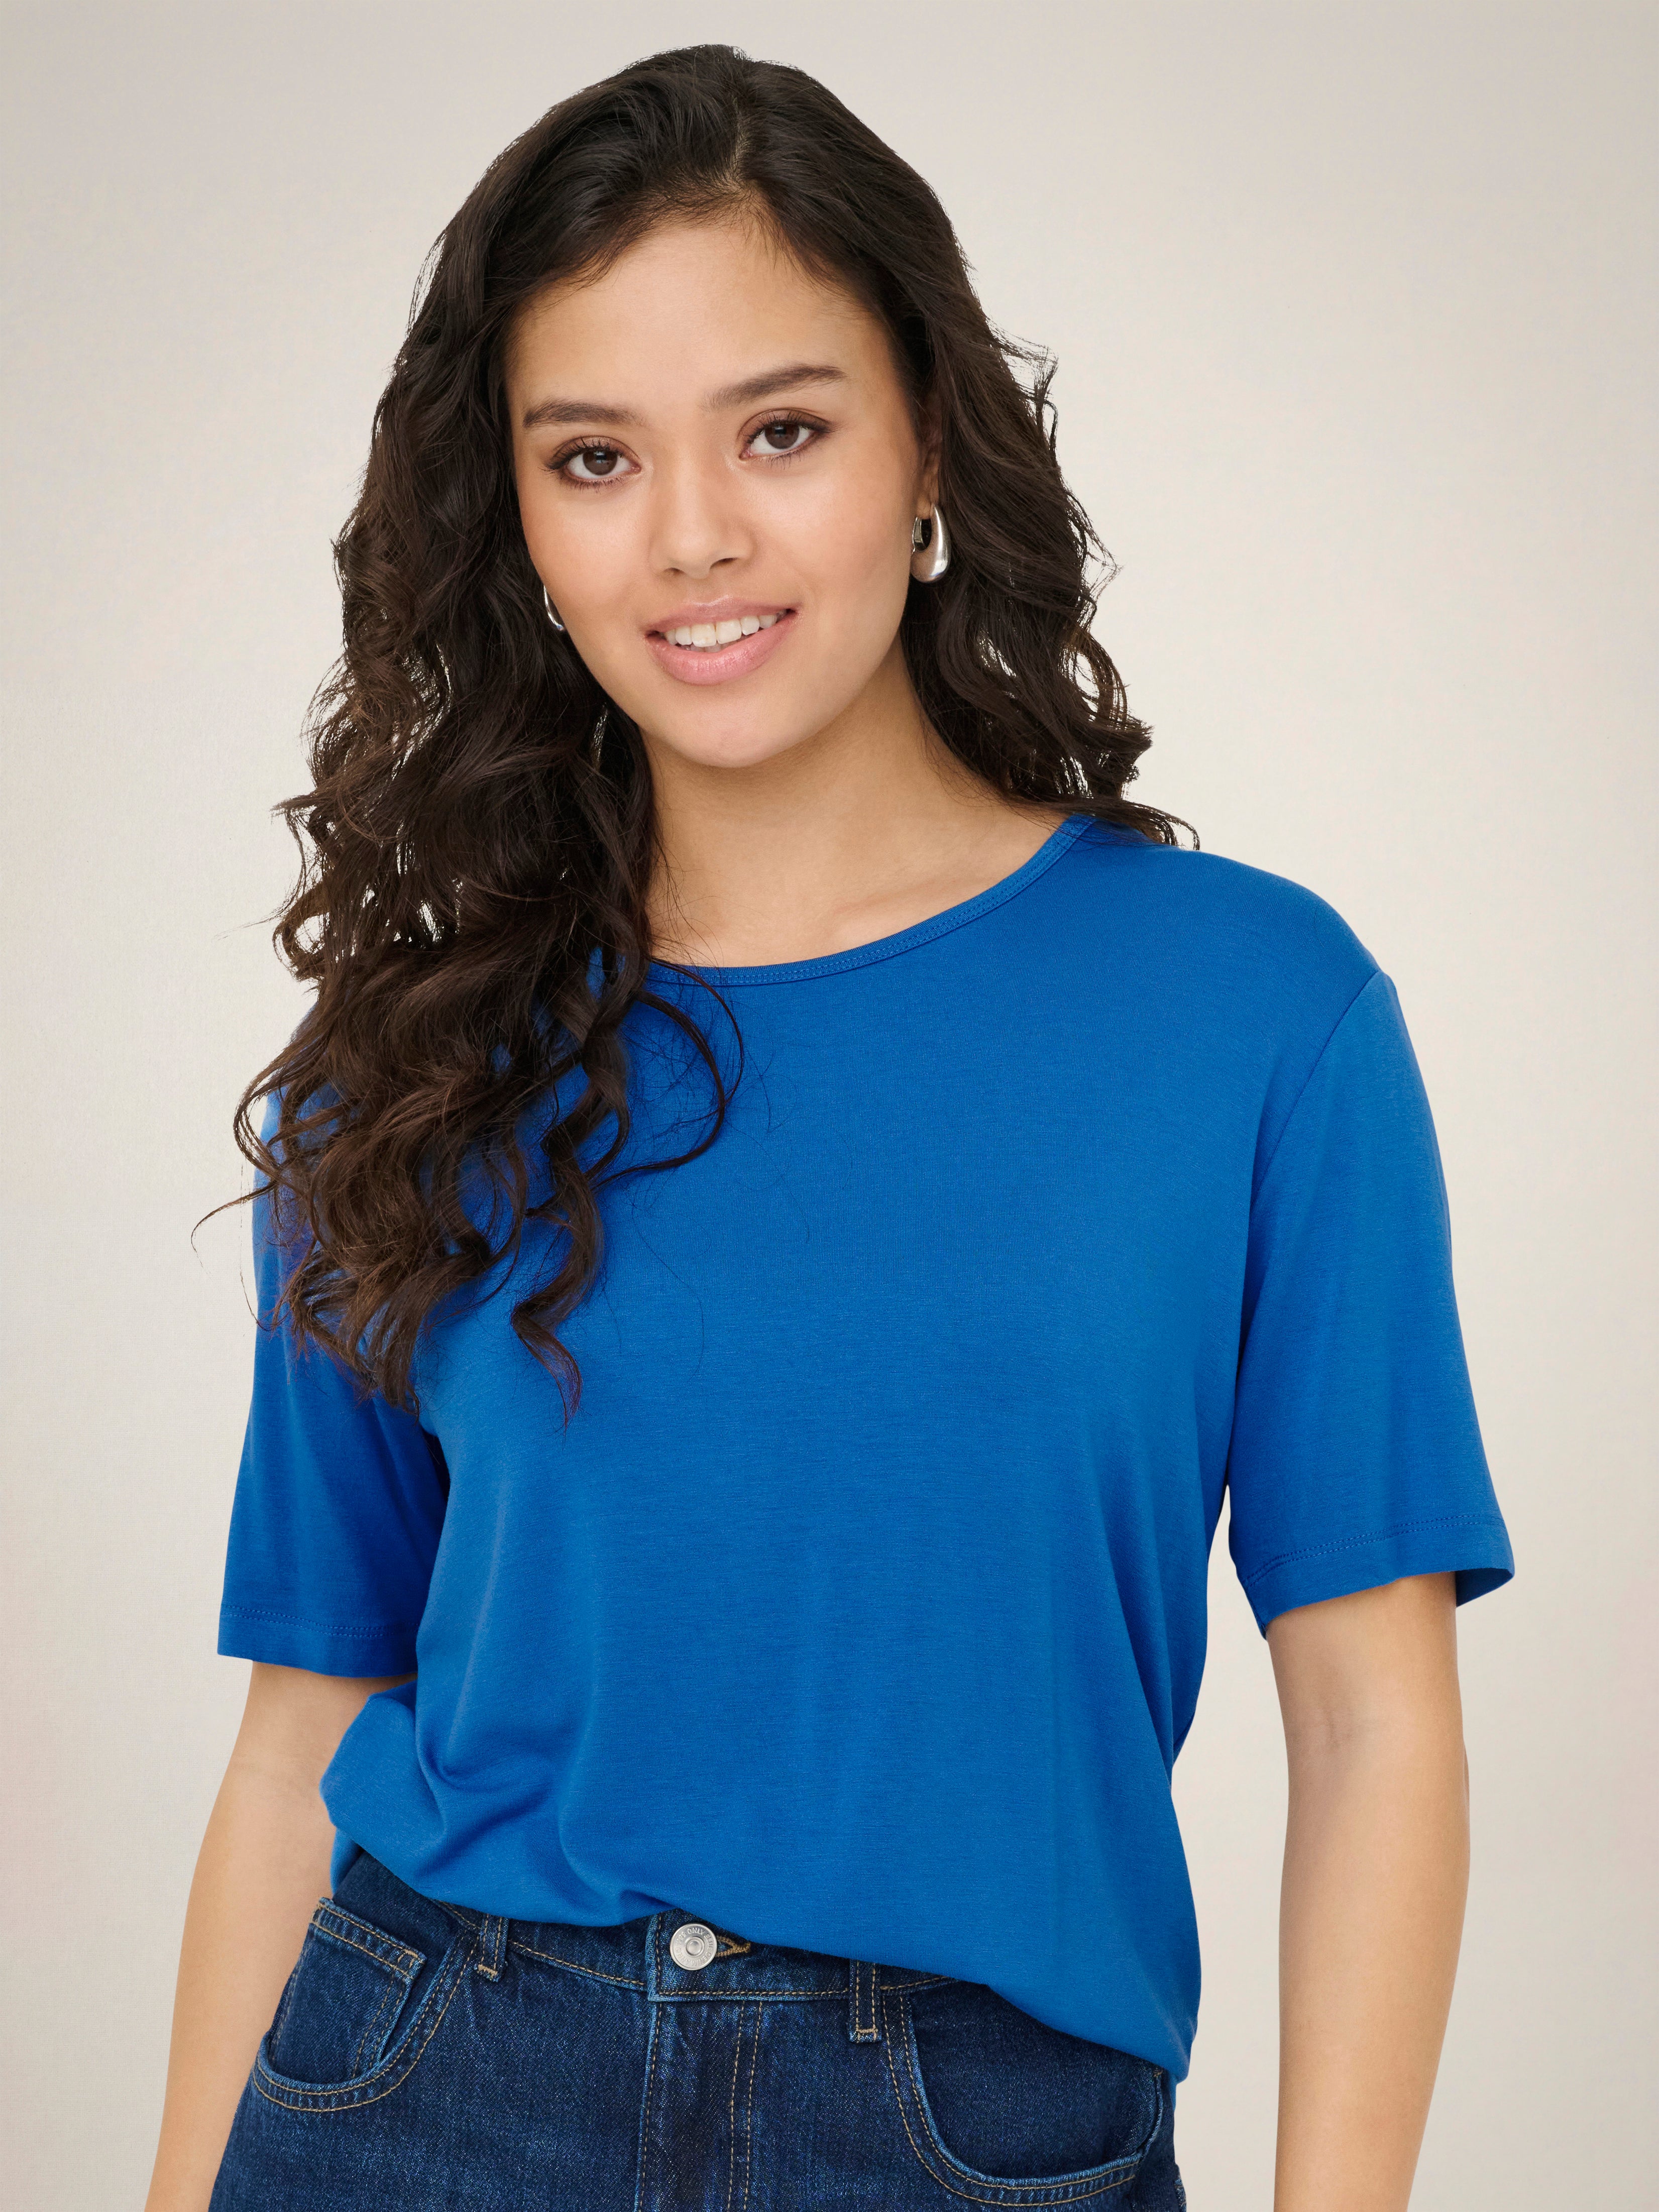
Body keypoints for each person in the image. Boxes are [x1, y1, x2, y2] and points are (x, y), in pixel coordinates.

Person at [145, 43, 1514, 2212]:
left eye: (780, 430)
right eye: (594, 457)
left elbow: (1370, 1721)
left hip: (978, 2135)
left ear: (929, 448)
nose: (693, 534)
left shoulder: (1253, 1011)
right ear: (520, 524)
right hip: (428, 2092)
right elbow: (302, 1730)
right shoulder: (409, 1057)